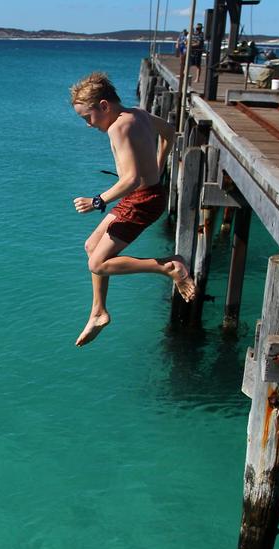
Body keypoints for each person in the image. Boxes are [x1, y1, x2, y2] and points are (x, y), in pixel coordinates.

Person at [69, 71, 196, 347]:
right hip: (144, 196)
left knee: (97, 263)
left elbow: (131, 180)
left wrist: (97, 201)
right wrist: (159, 166)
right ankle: (98, 311)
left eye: (87, 118)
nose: (88, 125)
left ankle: (167, 266)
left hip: (143, 201)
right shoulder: (138, 114)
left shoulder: (118, 128)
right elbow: (169, 133)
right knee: (92, 246)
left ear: (104, 106)